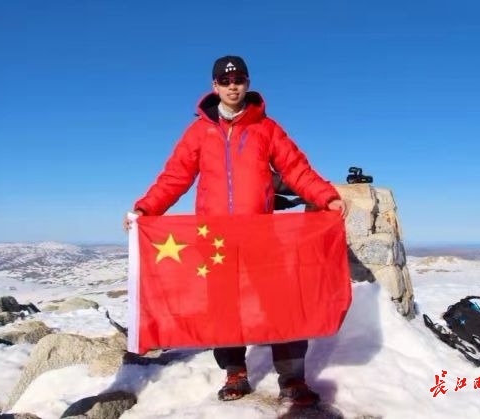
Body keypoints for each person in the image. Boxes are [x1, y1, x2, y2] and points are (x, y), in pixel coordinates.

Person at [123, 55, 347, 406]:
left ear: (247, 83)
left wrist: (326, 197)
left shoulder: (267, 128)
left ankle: (292, 379)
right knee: (224, 308)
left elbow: (295, 169)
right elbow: (175, 177)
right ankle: (235, 374)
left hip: (261, 236)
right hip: (215, 239)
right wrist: (145, 209)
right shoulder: (198, 132)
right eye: (225, 81)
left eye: (238, 80)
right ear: (214, 86)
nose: (232, 86)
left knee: (281, 305)